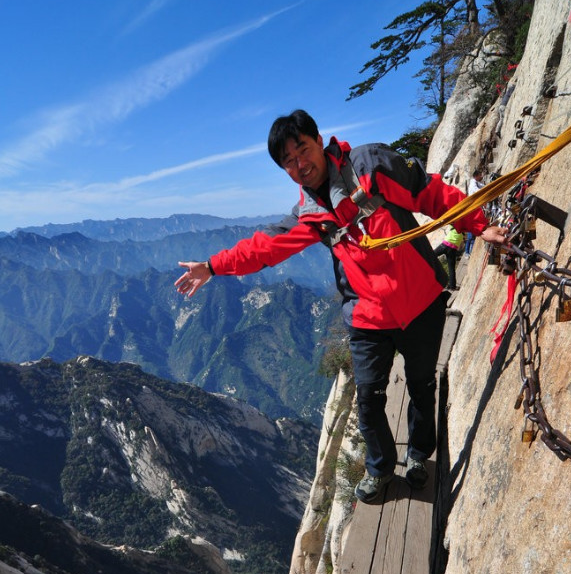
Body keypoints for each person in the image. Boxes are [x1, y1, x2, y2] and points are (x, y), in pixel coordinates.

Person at [174, 110, 507, 502]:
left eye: (303, 150)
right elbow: (263, 249)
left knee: (421, 385)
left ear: (320, 140)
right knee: (368, 397)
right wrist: (213, 267)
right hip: (367, 313)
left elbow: (428, 193)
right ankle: (381, 468)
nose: (300, 164)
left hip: (420, 299)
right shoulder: (311, 216)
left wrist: (478, 223)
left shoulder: (371, 167)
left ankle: (419, 457)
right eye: (289, 162)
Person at [464, 169, 485, 256]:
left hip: (475, 207)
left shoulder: (476, 182)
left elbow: (482, 186)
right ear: (476, 176)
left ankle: (470, 252)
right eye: (480, 175)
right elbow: (477, 190)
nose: (481, 176)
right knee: (470, 232)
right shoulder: (473, 184)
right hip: (472, 208)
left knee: (473, 232)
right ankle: (467, 252)